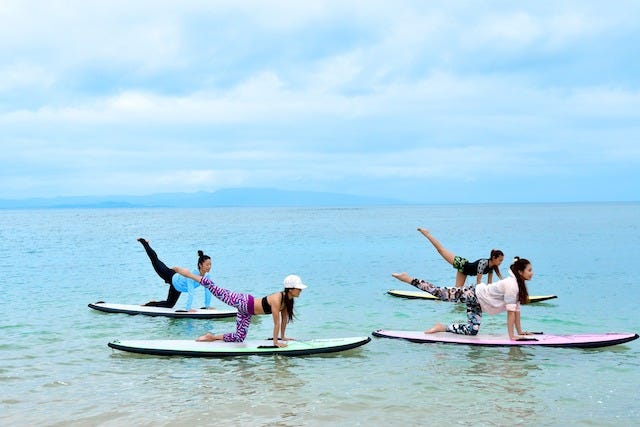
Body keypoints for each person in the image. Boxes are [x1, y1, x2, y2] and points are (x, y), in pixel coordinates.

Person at [391, 257, 534, 340]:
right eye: (529, 270)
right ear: (520, 272)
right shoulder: (512, 285)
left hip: (479, 303)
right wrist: (512, 336)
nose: (532, 273)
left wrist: (520, 332)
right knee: (440, 293)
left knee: (472, 330)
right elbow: (510, 314)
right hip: (473, 293)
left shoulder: (517, 285)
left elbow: (516, 310)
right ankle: (408, 279)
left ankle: (442, 327)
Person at [172, 267, 307, 348]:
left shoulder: (287, 301)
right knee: (213, 287)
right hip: (242, 301)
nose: (300, 291)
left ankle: (211, 337)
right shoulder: (278, 298)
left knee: (239, 338)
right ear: (290, 289)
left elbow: (283, 321)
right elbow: (276, 323)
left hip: (247, 312)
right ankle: (187, 274)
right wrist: (276, 342)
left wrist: (283, 337)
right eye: (298, 288)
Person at [138, 238, 213, 312]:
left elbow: (208, 291)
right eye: (207, 265)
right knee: (155, 260)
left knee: (169, 305)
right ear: (200, 265)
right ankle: (145, 243)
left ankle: (151, 303)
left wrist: (207, 306)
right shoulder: (193, 274)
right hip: (170, 276)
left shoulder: (207, 276)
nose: (209, 267)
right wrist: (188, 308)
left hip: (177, 288)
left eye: (210, 264)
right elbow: (191, 292)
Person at [418, 228, 504, 287]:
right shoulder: (483, 263)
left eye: (502, 260)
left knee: (457, 292)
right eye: (500, 260)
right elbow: (478, 282)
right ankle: (426, 233)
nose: (501, 262)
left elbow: (489, 283)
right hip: (461, 264)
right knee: (441, 250)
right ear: (493, 257)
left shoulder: (492, 267)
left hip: (464, 271)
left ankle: (444, 299)